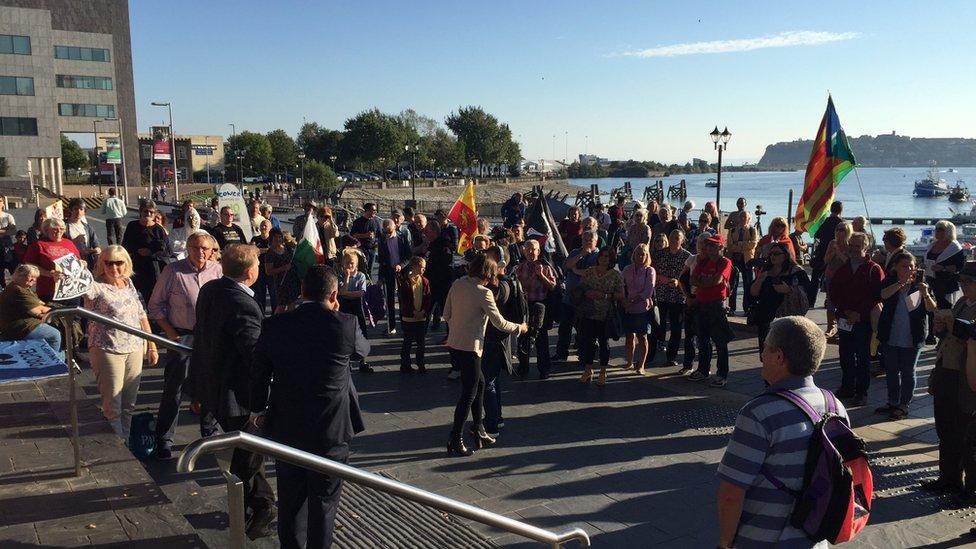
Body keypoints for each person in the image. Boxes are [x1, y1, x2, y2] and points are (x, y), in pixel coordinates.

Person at [250, 265, 367, 549]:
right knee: (325, 504)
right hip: (331, 430)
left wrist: (257, 410)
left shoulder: (275, 325)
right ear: (334, 294)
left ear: (302, 291)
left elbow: (259, 372)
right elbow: (364, 351)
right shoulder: (345, 323)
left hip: (288, 426)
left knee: (290, 501)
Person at [717, 315, 847, 549]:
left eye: (765, 347)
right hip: (814, 539)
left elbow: (731, 493)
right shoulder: (834, 406)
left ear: (779, 357)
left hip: (763, 540)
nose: (761, 355)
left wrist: (725, 543)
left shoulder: (759, 413)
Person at [190, 244, 276, 537]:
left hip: (213, 387)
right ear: (251, 272)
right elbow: (254, 354)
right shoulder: (243, 304)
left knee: (250, 454)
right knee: (248, 458)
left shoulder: (210, 290)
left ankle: (264, 506)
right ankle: (251, 513)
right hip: (237, 397)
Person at [443, 254, 527, 457]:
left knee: (479, 384)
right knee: (468, 394)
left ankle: (478, 428)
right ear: (488, 274)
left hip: (455, 343)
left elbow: (446, 314)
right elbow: (499, 323)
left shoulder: (457, 284)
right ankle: (456, 438)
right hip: (472, 346)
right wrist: (520, 328)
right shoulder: (484, 292)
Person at [148, 231, 222, 460]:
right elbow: (155, 306)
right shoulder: (173, 271)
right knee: (174, 388)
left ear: (212, 251)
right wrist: (170, 333)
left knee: (211, 385)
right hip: (182, 336)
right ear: (187, 248)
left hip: (209, 337)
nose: (200, 252)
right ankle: (164, 440)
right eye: (195, 247)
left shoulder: (217, 271)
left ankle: (209, 436)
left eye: (205, 248)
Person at [84, 246, 158, 441]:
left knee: (129, 404)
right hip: (107, 349)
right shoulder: (95, 286)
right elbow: (81, 291)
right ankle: (119, 449)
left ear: (126, 263)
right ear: (101, 264)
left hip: (134, 347)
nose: (114, 267)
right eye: (108, 262)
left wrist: (152, 344)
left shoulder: (128, 283)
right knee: (113, 405)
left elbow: (141, 314)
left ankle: (126, 444)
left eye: (119, 262)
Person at [926, 262, 976, 504]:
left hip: (965, 377)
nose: (963, 286)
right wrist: (940, 328)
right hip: (947, 368)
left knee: (965, 434)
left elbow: (972, 332)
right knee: (944, 427)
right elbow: (948, 334)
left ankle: (968, 489)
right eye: (962, 282)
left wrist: (952, 325)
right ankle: (948, 478)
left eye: (968, 282)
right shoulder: (960, 303)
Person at [876, 252, 937, 420]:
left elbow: (932, 309)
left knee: (908, 372)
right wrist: (900, 284)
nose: (910, 269)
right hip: (890, 335)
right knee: (891, 371)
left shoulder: (920, 285)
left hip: (912, 336)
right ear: (895, 267)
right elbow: (882, 295)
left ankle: (904, 404)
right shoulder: (891, 282)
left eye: (912, 266)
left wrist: (925, 293)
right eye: (905, 266)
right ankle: (893, 401)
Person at [828, 232, 884, 407]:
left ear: (865, 247)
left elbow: (877, 295)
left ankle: (861, 392)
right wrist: (845, 310)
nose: (852, 249)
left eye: (857, 246)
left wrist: (859, 313)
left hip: (863, 321)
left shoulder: (873, 269)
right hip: (845, 319)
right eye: (851, 245)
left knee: (862, 357)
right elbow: (834, 292)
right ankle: (847, 387)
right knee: (845, 355)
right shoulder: (843, 268)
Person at [482, 251, 524, 437]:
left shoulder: (499, 287)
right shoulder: (504, 283)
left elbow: (496, 316)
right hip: (500, 338)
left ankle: (491, 422)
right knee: (494, 380)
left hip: (493, 337)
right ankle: (496, 417)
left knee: (488, 381)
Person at [688, 234, 735, 387]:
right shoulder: (703, 262)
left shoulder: (725, 262)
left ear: (720, 247)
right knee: (703, 339)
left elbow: (718, 280)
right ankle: (703, 369)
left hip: (716, 305)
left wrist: (703, 282)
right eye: (708, 245)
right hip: (701, 304)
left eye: (713, 245)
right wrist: (707, 282)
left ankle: (722, 374)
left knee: (720, 341)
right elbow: (692, 279)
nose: (709, 248)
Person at [572, 247, 624, 386]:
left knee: (603, 343)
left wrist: (606, 295)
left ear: (612, 259)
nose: (604, 258)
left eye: (607, 256)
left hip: (605, 314)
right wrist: (586, 292)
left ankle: (603, 371)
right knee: (588, 342)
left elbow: (621, 295)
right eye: (602, 255)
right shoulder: (589, 271)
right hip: (588, 312)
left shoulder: (615, 275)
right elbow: (580, 287)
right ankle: (588, 370)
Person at [749, 242, 811, 353]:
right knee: (767, 354)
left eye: (776, 254)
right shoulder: (765, 271)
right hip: (766, 318)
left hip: (788, 318)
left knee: (786, 354)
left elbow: (808, 295)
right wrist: (760, 280)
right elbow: (753, 293)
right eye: (771, 254)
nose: (772, 256)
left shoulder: (797, 272)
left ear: (785, 255)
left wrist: (789, 290)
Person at [513, 239, 557, 379]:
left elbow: (552, 286)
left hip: (540, 305)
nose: (531, 252)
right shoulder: (519, 267)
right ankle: (523, 366)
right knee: (524, 337)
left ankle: (544, 368)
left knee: (541, 338)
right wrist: (532, 278)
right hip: (524, 306)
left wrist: (541, 275)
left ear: (539, 251)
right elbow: (518, 287)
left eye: (534, 249)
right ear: (524, 251)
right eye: (528, 249)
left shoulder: (546, 267)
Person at [555, 231, 600, 362]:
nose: (587, 242)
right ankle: (561, 354)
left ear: (596, 241)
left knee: (583, 330)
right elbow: (566, 266)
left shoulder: (598, 255)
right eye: (584, 239)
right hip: (569, 298)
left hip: (586, 300)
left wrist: (575, 271)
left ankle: (584, 355)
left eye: (590, 240)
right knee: (564, 328)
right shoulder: (575, 252)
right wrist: (581, 254)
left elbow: (592, 272)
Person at [0, 264, 61, 358]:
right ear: (20, 276)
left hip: (22, 322)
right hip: (19, 326)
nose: (34, 280)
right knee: (54, 335)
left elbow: (39, 303)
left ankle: (51, 356)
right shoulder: (18, 290)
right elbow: (37, 311)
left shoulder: (22, 287)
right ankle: (52, 363)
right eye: (31, 277)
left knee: (55, 325)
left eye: (35, 277)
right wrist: (58, 310)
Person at [653, 230, 691, 368]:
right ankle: (651, 352)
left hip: (678, 297)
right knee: (658, 324)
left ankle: (671, 356)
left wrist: (678, 282)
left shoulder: (687, 257)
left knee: (676, 328)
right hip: (661, 294)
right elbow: (653, 272)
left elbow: (689, 278)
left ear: (682, 240)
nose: (674, 240)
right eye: (672, 237)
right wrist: (665, 279)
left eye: (677, 238)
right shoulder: (660, 254)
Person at [925, 220, 966, 344]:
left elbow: (960, 267)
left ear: (948, 231)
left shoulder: (955, 248)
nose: (937, 232)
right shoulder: (932, 245)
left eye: (941, 229)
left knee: (945, 311)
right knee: (931, 310)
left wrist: (943, 268)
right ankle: (932, 335)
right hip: (931, 281)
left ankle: (946, 336)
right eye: (937, 229)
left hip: (946, 285)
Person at [121, 200, 171, 301]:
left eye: (151, 212)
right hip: (134, 269)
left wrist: (151, 252)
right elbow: (124, 246)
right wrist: (136, 251)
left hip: (152, 271)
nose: (148, 214)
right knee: (130, 299)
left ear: (154, 213)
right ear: (140, 212)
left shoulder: (159, 230)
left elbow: (168, 252)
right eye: (145, 211)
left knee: (152, 301)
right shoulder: (132, 226)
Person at [24, 217, 81, 302]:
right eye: (55, 229)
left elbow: (78, 260)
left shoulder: (69, 243)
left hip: (73, 290)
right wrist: (49, 274)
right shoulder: (38, 245)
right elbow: (29, 265)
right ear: (46, 230)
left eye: (62, 228)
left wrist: (82, 263)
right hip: (50, 292)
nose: (59, 231)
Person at [337, 249, 373, 373]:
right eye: (347, 263)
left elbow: (361, 293)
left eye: (352, 263)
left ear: (356, 264)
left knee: (361, 331)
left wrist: (346, 293)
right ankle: (347, 362)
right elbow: (341, 292)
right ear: (343, 264)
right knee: (345, 334)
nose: (349, 266)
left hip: (357, 307)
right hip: (345, 307)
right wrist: (347, 278)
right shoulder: (341, 275)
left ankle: (363, 361)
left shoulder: (361, 276)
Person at [622, 244, 656, 374]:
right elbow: (620, 284)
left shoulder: (650, 270)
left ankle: (641, 365)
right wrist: (624, 301)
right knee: (629, 336)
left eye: (643, 254)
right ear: (634, 255)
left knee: (643, 337)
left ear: (647, 256)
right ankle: (629, 362)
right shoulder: (627, 269)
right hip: (628, 308)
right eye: (638, 253)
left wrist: (631, 302)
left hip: (642, 308)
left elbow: (648, 291)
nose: (640, 256)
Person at [378, 218, 412, 335]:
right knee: (390, 300)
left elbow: (408, 256)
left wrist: (400, 266)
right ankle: (391, 326)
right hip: (388, 271)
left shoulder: (402, 237)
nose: (387, 234)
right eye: (385, 231)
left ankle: (405, 325)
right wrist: (380, 278)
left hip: (401, 271)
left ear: (395, 228)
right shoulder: (382, 239)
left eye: (389, 231)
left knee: (403, 298)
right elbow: (381, 259)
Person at [808, 200, 844, 304]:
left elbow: (817, 234)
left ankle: (811, 300)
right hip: (836, 252)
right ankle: (829, 300)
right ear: (841, 210)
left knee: (815, 278)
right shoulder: (841, 223)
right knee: (833, 277)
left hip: (822, 251)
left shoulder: (825, 221)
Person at [398, 256, 430, 373]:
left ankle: (421, 364)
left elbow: (427, 298)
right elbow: (404, 300)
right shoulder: (405, 281)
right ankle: (405, 365)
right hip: (408, 318)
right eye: (422, 267)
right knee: (407, 342)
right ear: (415, 267)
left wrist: (423, 311)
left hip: (421, 317)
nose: (423, 270)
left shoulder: (425, 281)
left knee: (421, 343)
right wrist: (413, 311)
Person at [823, 221, 853, 337]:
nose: (839, 232)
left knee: (844, 302)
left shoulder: (851, 244)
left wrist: (839, 252)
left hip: (845, 277)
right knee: (830, 301)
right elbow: (826, 260)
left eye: (842, 230)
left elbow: (848, 262)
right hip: (831, 275)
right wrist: (832, 252)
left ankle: (843, 326)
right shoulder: (832, 243)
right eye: (837, 229)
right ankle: (830, 327)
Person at [725, 210, 757, 315]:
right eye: (741, 217)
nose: (743, 219)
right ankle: (732, 308)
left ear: (748, 219)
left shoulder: (753, 230)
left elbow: (753, 244)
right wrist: (743, 246)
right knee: (732, 284)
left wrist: (738, 245)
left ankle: (747, 308)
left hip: (747, 260)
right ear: (738, 219)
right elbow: (729, 246)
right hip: (734, 259)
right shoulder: (732, 230)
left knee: (748, 284)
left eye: (745, 217)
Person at [64, 198, 101, 271]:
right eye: (75, 209)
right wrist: (74, 241)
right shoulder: (64, 226)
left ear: (84, 212)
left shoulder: (87, 227)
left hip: (87, 263)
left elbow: (96, 245)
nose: (78, 211)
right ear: (71, 210)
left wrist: (96, 250)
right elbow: (60, 246)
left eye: (81, 209)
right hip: (71, 263)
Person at [265, 229, 293, 312]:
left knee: (292, 303)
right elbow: (268, 271)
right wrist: (283, 268)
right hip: (279, 283)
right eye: (275, 237)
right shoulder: (270, 253)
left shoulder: (287, 248)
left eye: (280, 237)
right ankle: (275, 324)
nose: (278, 239)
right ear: (271, 238)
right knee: (281, 306)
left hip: (291, 281)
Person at [350, 203, 382, 273]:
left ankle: (369, 283)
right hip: (361, 249)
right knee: (362, 269)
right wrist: (365, 235)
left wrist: (377, 242)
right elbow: (353, 235)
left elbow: (380, 235)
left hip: (372, 249)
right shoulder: (358, 222)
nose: (375, 212)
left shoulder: (376, 221)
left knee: (370, 270)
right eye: (373, 210)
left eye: (375, 210)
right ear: (367, 210)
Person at [251, 219, 273, 312]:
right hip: (259, 271)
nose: (263, 227)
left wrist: (260, 250)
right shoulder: (255, 239)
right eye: (262, 225)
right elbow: (252, 251)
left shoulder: (273, 240)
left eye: (265, 226)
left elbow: (275, 250)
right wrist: (267, 250)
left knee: (273, 295)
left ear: (270, 228)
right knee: (259, 295)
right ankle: (261, 316)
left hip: (271, 270)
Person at [0, 196, 16, 285]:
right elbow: (9, 230)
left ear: (3, 203)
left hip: (7, 246)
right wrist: (6, 230)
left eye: (0, 201)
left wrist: (5, 231)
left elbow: (13, 230)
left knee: (13, 270)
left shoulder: (8, 216)